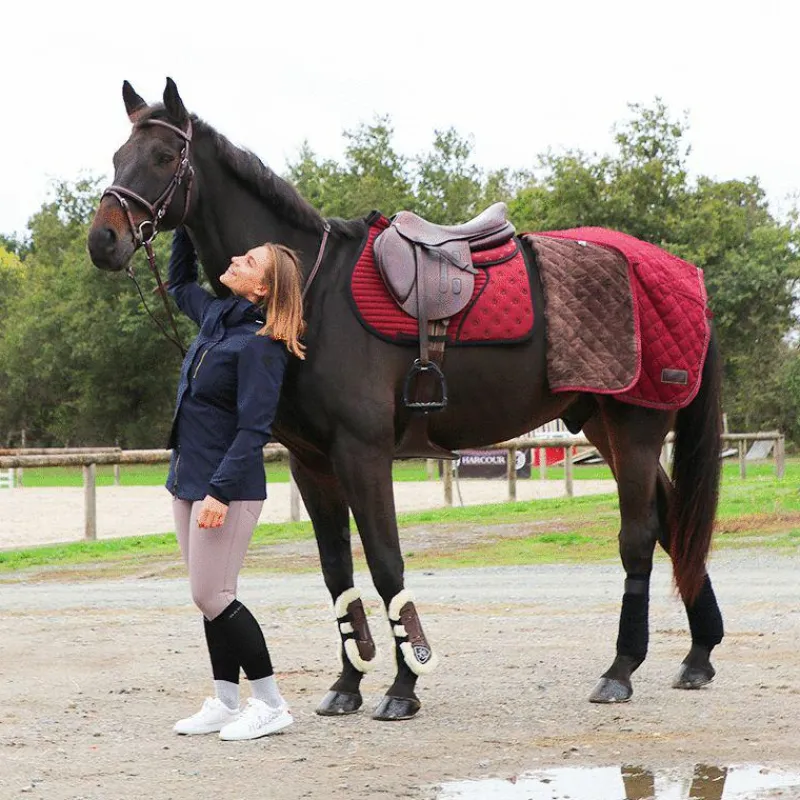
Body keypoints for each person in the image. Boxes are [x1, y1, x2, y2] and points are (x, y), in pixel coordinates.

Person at [165, 227, 305, 741]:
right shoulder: (217, 319)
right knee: (208, 598)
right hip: (188, 481)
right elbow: (179, 282)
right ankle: (226, 701)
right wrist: (183, 224)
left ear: (263, 289)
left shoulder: (262, 346)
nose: (234, 259)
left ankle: (271, 704)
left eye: (247, 260)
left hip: (228, 489)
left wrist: (219, 492)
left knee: (215, 594)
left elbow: (255, 430)